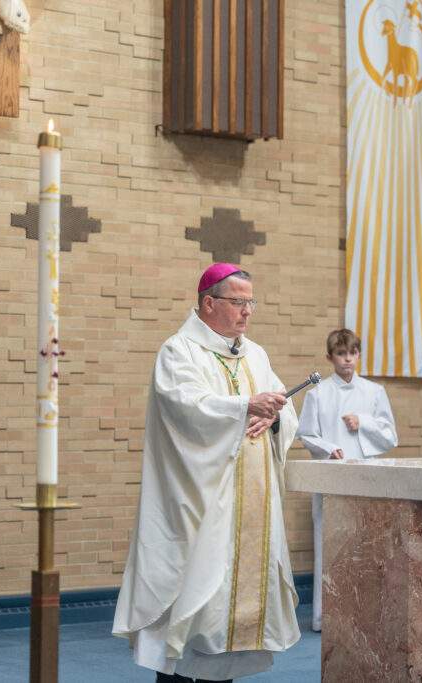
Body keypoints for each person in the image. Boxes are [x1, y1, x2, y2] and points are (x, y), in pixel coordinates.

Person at [113, 263, 301, 683]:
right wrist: (242, 408)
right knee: (190, 617)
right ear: (208, 303)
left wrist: (271, 419)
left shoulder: (255, 353)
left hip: (248, 508)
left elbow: (279, 410)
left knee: (225, 633)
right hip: (200, 507)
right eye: (238, 301)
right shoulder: (179, 351)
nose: (248, 311)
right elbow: (183, 407)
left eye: (250, 302)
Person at [295, 328, 398, 633]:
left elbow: (390, 435)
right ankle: (326, 617)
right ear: (330, 357)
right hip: (331, 475)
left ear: (358, 355)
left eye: (352, 353)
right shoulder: (317, 393)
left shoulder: (374, 392)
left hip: (367, 476)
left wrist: (363, 422)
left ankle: (365, 614)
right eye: (341, 354)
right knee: (329, 545)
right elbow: (306, 434)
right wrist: (329, 448)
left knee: (367, 544)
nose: (347, 359)